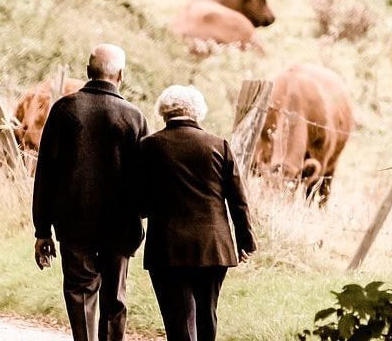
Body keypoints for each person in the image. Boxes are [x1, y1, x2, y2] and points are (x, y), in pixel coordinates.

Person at [32, 44, 149, 341]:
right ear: (120, 75)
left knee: (81, 293)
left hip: (74, 223)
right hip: (120, 225)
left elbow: (46, 172)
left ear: (87, 71)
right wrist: (141, 214)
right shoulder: (134, 117)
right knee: (115, 299)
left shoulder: (64, 109)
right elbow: (143, 178)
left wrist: (42, 229)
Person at [138, 85, 257, 341]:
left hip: (167, 247)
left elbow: (140, 200)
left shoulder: (149, 146)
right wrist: (245, 240)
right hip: (214, 246)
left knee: (177, 319)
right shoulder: (218, 145)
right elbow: (238, 199)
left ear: (164, 112)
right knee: (207, 312)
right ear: (197, 112)